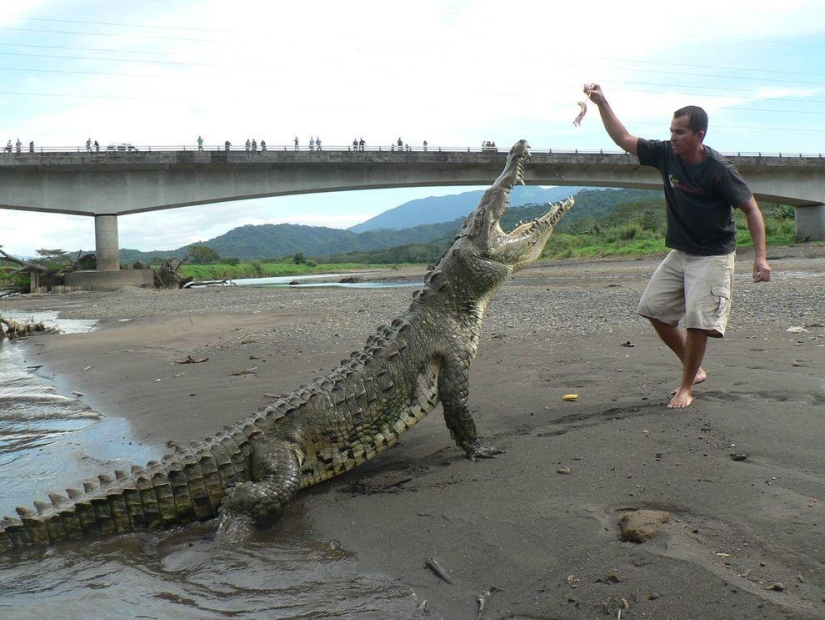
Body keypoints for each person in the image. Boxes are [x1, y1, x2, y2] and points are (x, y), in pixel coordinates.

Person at [584, 83, 772, 409]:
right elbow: (623, 138)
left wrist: (760, 257)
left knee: (698, 320)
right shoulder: (665, 154)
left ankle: (686, 386)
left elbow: (751, 209)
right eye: (671, 130)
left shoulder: (718, 170)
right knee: (653, 309)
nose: (673, 137)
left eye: (680, 132)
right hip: (682, 251)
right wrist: (602, 102)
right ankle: (694, 368)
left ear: (698, 135)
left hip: (713, 254)